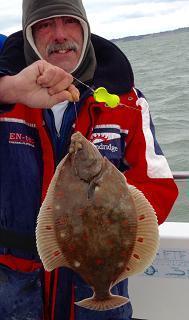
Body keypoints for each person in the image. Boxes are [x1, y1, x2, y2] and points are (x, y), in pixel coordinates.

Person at [0, 0, 178, 319]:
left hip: (103, 274)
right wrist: (7, 90)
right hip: (13, 286)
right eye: (44, 25)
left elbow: (160, 185)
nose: (58, 34)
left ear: (84, 28)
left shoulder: (128, 102)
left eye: (69, 21)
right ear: (28, 34)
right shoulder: (7, 97)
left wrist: (112, 217)